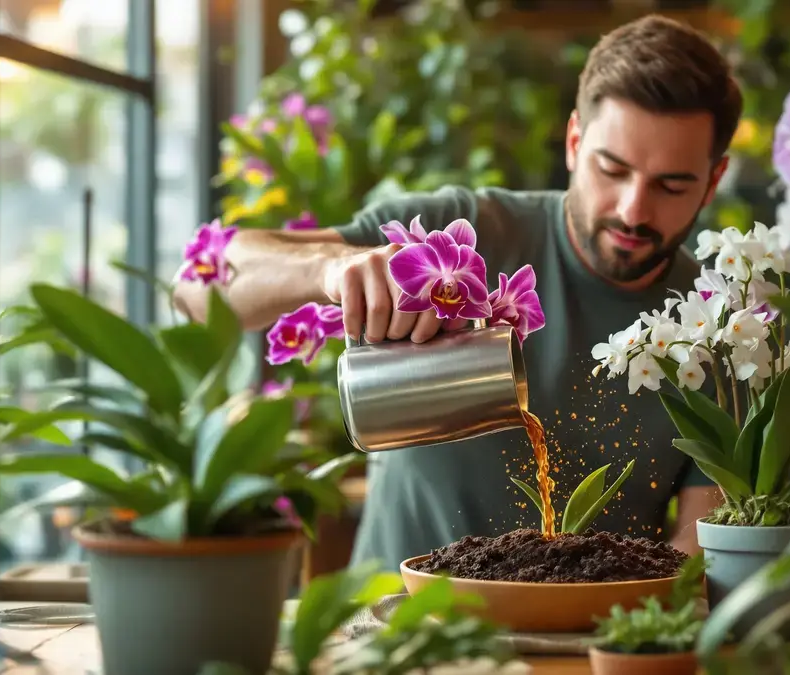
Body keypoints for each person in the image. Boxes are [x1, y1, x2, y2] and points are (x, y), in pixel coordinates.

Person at [173, 14, 742, 572]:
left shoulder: (719, 333)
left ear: (713, 180)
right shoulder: (458, 235)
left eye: (671, 185)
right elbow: (197, 289)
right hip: (394, 634)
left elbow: (702, 547)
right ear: (574, 142)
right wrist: (330, 268)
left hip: (580, 642)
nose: (632, 210)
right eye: (611, 170)